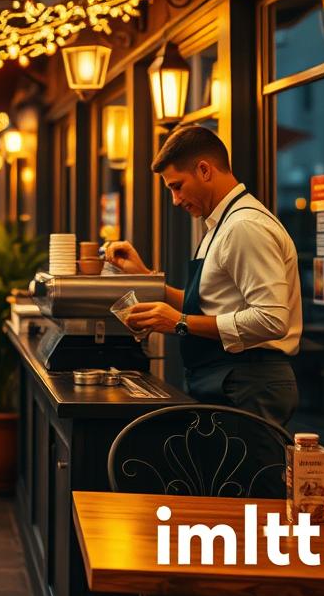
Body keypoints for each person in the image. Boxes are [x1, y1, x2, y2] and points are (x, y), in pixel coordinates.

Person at [106, 125, 301, 426]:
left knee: (246, 475)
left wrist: (179, 323)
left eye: (177, 186)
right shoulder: (220, 225)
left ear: (204, 170)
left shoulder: (243, 227)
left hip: (249, 382)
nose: (175, 199)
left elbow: (272, 319)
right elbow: (210, 304)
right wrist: (144, 276)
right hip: (229, 378)